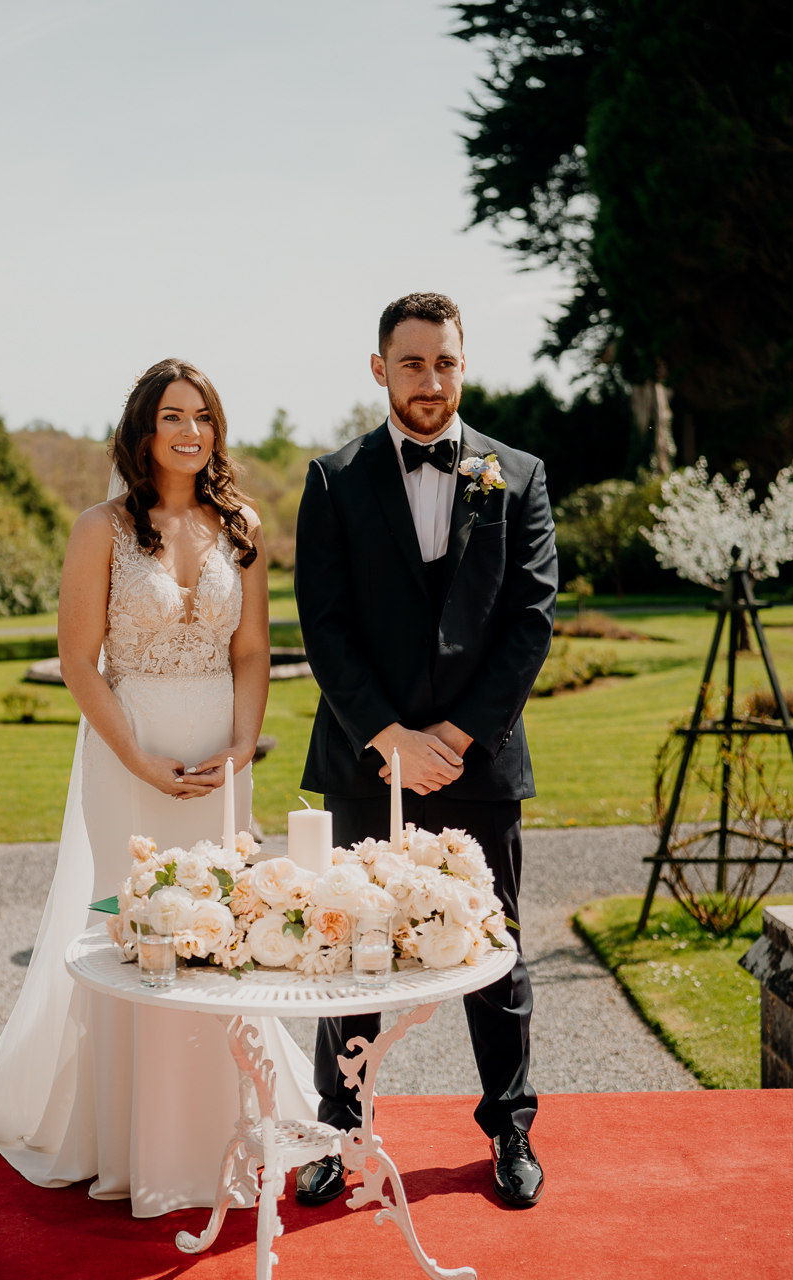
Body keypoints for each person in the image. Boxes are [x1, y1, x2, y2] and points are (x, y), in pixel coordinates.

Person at [0, 358, 318, 1217]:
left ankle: (227, 1125)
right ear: (143, 430)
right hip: (125, 757)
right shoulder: (99, 526)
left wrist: (243, 748)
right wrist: (137, 758)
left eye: (202, 415)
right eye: (173, 415)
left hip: (218, 765)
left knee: (221, 926)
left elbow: (252, 652)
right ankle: (125, 1137)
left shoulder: (239, 523)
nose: (190, 430)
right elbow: (77, 661)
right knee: (136, 932)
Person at [291, 292, 557, 1209]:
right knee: (350, 946)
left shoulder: (516, 475)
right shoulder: (333, 480)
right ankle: (339, 1129)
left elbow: (529, 623)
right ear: (380, 370)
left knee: (497, 950)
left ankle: (510, 1131)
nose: (431, 380)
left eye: (444, 362)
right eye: (412, 363)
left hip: (479, 761)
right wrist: (390, 737)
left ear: (462, 364)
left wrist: (453, 737)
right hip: (366, 759)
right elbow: (322, 626)